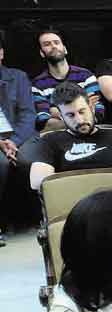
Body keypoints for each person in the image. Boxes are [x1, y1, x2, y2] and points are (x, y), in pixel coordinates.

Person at [25, 82, 112, 191]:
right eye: (70, 115)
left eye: (82, 111)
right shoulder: (50, 141)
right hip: (73, 205)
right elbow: (37, 182)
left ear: (92, 108)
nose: (80, 120)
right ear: (61, 117)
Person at [31, 27, 106, 132]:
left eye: (56, 42)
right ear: (42, 53)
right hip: (57, 138)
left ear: (65, 49)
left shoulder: (86, 76)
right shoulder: (37, 84)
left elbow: (98, 111)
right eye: (47, 44)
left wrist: (56, 111)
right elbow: (43, 121)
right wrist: (83, 111)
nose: (53, 46)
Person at [0, 30, 34, 246]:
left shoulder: (18, 76)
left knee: (30, 161)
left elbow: (28, 114)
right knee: (0, 164)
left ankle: (36, 219)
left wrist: (14, 141)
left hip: (18, 136)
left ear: (1, 53)